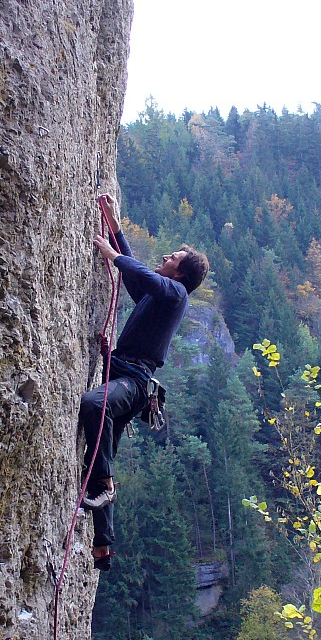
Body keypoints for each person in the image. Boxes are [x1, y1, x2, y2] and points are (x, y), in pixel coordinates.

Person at [81, 194, 209, 571]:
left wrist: (112, 252)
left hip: (135, 382)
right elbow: (137, 277)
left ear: (180, 273)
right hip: (122, 372)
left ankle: (104, 487)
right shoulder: (157, 297)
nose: (165, 257)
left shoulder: (176, 294)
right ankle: (103, 545)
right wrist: (116, 229)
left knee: (94, 405)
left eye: (172, 258)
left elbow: (141, 273)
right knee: (100, 449)